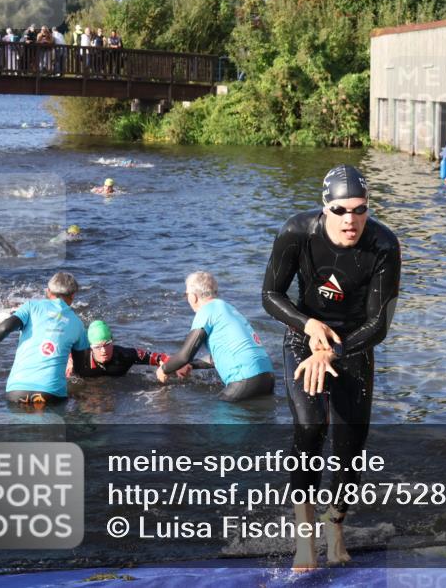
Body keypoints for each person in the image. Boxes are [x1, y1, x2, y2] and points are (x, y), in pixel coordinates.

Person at [261, 164, 401, 570]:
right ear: (325, 207)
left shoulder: (383, 245)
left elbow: (380, 324)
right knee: (309, 427)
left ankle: (335, 525)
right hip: (304, 334)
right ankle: (305, 539)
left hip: (354, 343)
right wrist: (307, 325)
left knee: (350, 442)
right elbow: (270, 294)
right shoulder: (297, 232)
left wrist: (333, 352)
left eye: (360, 209)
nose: (351, 220)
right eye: (341, 210)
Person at [0, 272, 89, 406]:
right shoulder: (77, 323)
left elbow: (5, 327)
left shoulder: (31, 306)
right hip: (51, 394)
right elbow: (80, 369)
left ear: (48, 291)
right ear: (73, 295)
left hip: (17, 391)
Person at [157, 271, 275, 402]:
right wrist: (191, 365)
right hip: (267, 377)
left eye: (186, 295)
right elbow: (220, 355)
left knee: (217, 417)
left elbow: (185, 355)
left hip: (245, 379)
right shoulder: (228, 308)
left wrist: (164, 369)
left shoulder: (206, 311)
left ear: (193, 297)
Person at [67, 320, 193, 379]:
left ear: (113, 341)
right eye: (97, 347)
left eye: (107, 344)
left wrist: (178, 364)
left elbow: (158, 357)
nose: (103, 351)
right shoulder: (78, 357)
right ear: (90, 347)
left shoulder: (124, 355)